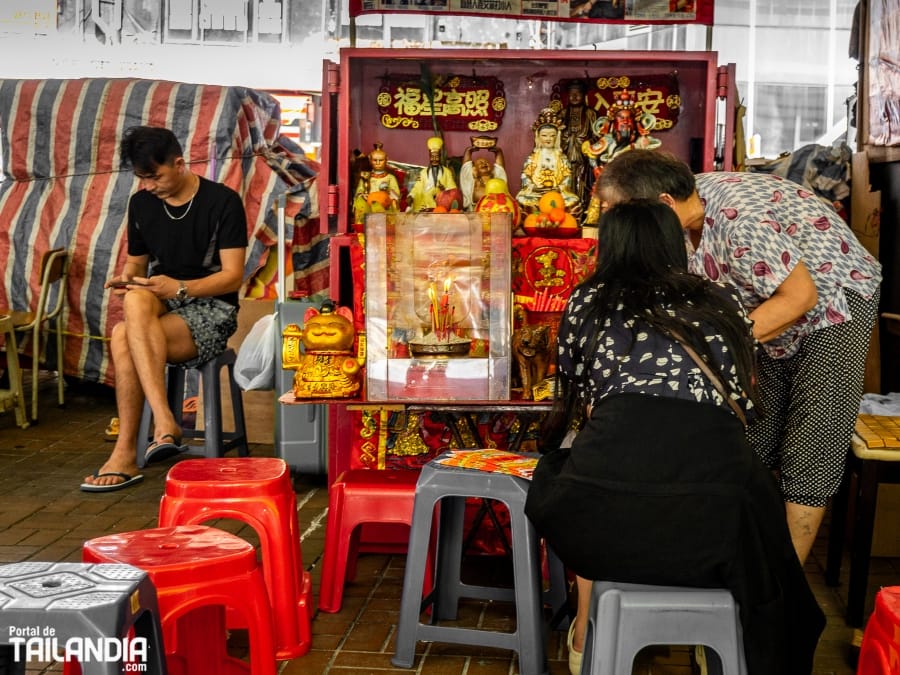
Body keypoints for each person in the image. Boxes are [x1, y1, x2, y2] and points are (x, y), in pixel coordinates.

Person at [525, 199, 825, 675]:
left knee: (558, 468)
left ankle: (582, 635)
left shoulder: (589, 301)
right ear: (676, 241)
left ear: (608, 244)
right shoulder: (720, 301)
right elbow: (742, 403)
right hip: (711, 539)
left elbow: (580, 402)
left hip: (606, 534)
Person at [596, 149, 883, 564]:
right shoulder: (682, 216)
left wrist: (718, 347)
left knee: (813, 438)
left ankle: (784, 592)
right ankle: (742, 560)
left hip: (835, 299)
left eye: (627, 215)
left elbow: (801, 296)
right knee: (754, 431)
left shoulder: (737, 222)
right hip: (771, 305)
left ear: (663, 204)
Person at [81, 126, 248, 492]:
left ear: (178, 163)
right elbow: (138, 267)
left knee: (123, 335)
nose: (149, 186)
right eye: (142, 178)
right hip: (162, 299)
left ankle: (127, 451)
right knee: (137, 297)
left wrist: (181, 287)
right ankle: (164, 421)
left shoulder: (222, 202)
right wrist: (127, 280)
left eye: (155, 176)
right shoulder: (142, 204)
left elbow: (233, 277)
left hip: (212, 307)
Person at [516, 108, 581, 216]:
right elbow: (525, 175)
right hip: (536, 193)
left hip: (558, 194)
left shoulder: (562, 157)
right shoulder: (533, 157)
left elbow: (568, 177)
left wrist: (560, 188)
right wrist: (532, 186)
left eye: (552, 135)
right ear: (538, 137)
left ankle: (555, 215)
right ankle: (536, 215)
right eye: (544, 135)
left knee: (572, 201)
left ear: (557, 137)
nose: (548, 139)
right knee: (522, 200)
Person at [558, 80, 598, 211]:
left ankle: (582, 209)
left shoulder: (590, 113)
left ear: (584, 95)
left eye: (578, 94)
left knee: (582, 182)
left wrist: (588, 143)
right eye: (571, 94)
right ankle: (566, 209)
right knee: (566, 182)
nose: (574, 97)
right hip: (566, 154)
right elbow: (555, 135)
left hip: (583, 156)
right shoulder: (563, 114)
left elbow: (597, 135)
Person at [352, 142, 401, 224]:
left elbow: (396, 195)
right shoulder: (366, 177)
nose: (378, 163)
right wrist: (362, 195)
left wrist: (389, 195)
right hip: (369, 206)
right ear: (370, 161)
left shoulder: (390, 178)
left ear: (386, 160)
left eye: (381, 160)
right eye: (375, 160)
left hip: (385, 207)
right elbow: (359, 191)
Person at [408, 136, 457, 212]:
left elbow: (453, 190)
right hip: (425, 205)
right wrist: (411, 196)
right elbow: (417, 187)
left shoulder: (447, 172)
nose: (434, 159)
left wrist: (444, 190)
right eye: (432, 157)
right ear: (429, 157)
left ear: (440, 157)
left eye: (437, 157)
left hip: (441, 206)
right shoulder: (423, 173)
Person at [459, 143, 506, 210]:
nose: (484, 164)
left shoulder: (496, 179)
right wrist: (468, 151)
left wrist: (498, 152)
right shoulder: (473, 182)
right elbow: (465, 171)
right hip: (475, 214)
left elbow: (500, 169)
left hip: (496, 212)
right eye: (480, 163)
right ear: (475, 170)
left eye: (486, 162)